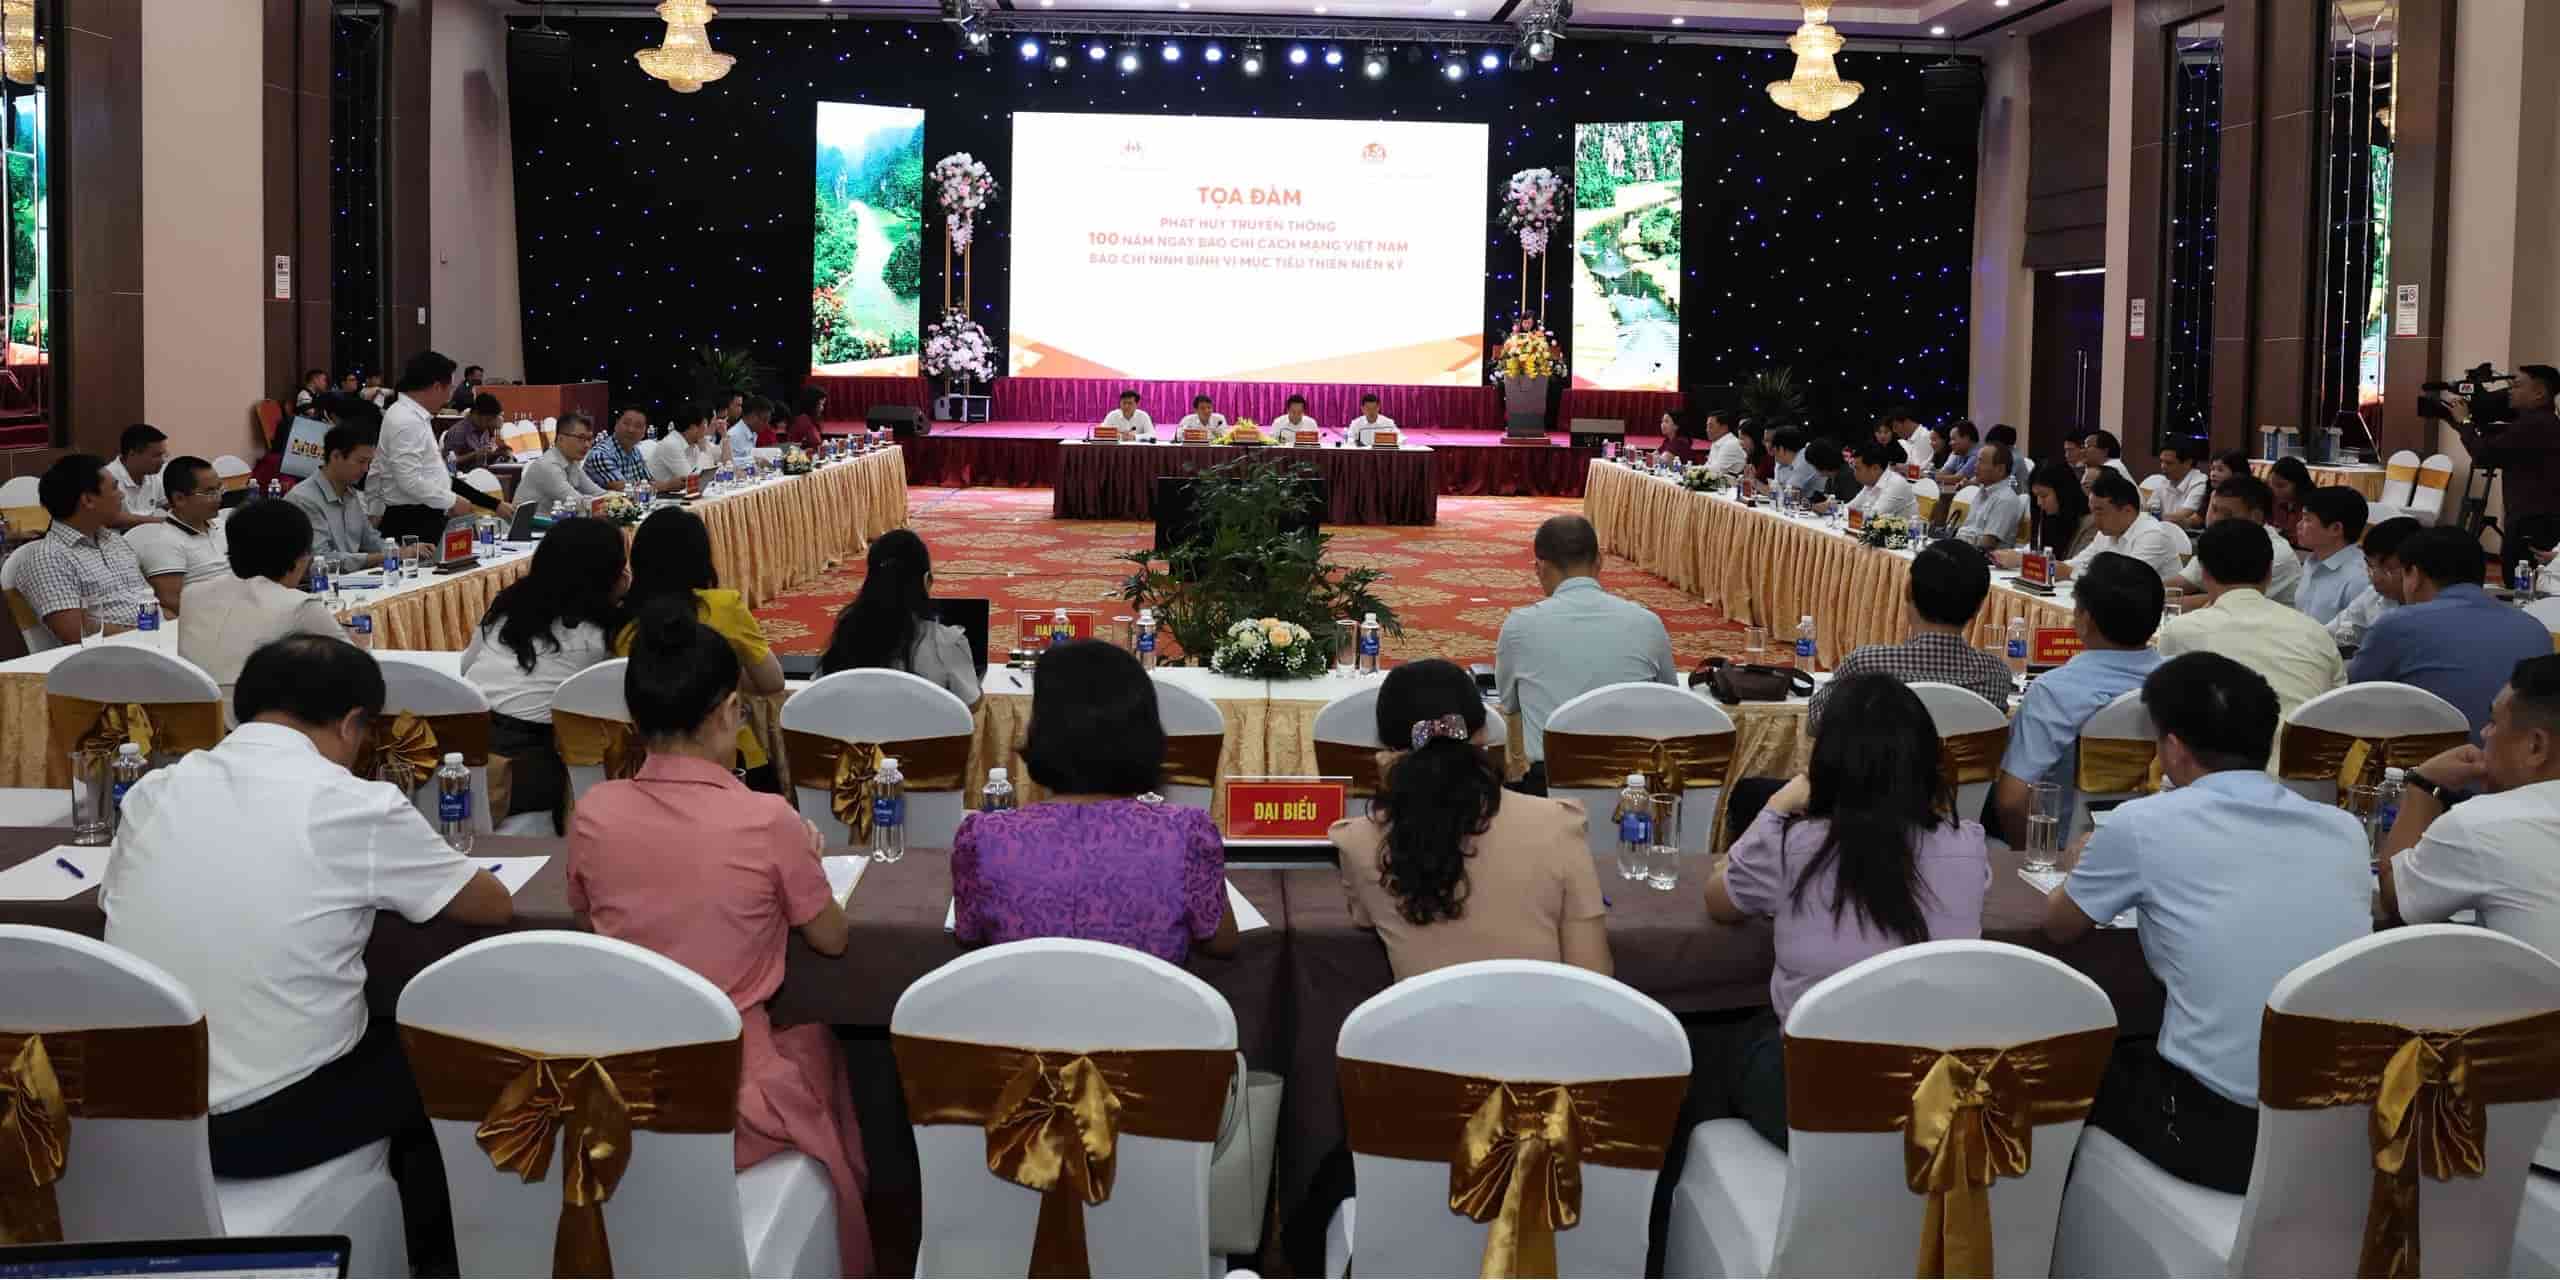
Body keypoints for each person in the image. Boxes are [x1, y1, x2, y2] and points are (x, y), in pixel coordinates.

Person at [101, 636, 511, 1188]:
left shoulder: (154, 791)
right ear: (350, 724)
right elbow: (489, 903)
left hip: (141, 1116)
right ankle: (426, 1252)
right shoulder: (352, 803)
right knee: (453, 1047)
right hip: (267, 1125)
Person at [565, 606, 872, 1274]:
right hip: (734, 1099)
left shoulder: (593, 812)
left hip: (617, 1088)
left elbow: (587, 916)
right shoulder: (766, 819)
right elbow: (832, 939)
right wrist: (805, 861)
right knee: (821, 1046)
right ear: (728, 710)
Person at [2043, 652, 2368, 1194]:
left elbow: (2059, 927)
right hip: (2337, 1126)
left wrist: (2079, 863)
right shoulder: (2344, 832)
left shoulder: (2143, 823)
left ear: (2172, 746)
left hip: (2219, 1131)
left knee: (2068, 1069)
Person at [1710, 673, 1989, 1148]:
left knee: (1714, 1046)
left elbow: (1719, 902)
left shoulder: (1792, 843)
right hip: (1931, 1092)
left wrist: (1777, 806)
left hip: (1818, 1100)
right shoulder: (1968, 845)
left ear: (1826, 763)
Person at [953, 639, 1240, 960]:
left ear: (1041, 733)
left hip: (1028, 1008)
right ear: (1146, 735)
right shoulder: (1186, 833)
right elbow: (1220, 941)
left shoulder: (985, 836)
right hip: (1147, 1009)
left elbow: (968, 933)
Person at [1332, 658, 1607, 979]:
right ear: (1485, 733)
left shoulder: (1357, 841)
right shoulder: (1558, 824)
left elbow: (1364, 917)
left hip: (1423, 1029)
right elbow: (1594, 973)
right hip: (1541, 1026)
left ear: (1385, 750)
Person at [2380, 655, 2560, 957]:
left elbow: (2396, 899)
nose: (2485, 734)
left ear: (2536, 746)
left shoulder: (2484, 824)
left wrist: (2423, 786)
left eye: (2493, 722)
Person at [1495, 515, 1679, 794]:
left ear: (1540, 568)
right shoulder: (1647, 622)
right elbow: (1669, 697)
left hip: (1551, 788)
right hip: (1632, 788)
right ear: (1600, 561)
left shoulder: (1519, 627)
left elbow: (1509, 704)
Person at [465, 517, 627, 829]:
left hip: (464, 756)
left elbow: (465, 668)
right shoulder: (600, 634)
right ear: (611, 574)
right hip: (529, 770)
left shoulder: (508, 609)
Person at [1992, 552, 2165, 844]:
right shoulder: (2180, 683)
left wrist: (2038, 859)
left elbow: (2012, 801)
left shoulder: (2055, 691)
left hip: (2065, 848)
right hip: (2156, 843)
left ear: (2085, 619)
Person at [615, 507, 785, 776]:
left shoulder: (621, 620)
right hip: (731, 761)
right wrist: (726, 675)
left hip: (648, 767)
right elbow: (772, 682)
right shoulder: (722, 606)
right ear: (701, 558)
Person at [2351, 526, 2555, 736]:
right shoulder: (2534, 627)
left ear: (2415, 575)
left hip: (2435, 763)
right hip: (2525, 761)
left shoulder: (2397, 625)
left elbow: (2353, 696)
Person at [1809, 540, 2016, 735]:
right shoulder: (1996, 674)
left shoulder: (1866, 664)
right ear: (1979, 607)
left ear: (1908, 591)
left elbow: (1816, 721)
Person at [2158, 519, 2343, 721]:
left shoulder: (2180, 630)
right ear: (2270, 570)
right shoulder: (2316, 632)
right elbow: (2337, 703)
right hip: (2301, 750)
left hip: (2218, 750)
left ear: (2204, 573)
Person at [177, 499, 346, 704]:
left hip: (188, 722)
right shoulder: (300, 605)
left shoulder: (191, 594)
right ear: (300, 557)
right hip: (257, 725)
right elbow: (355, 671)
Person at [816, 528, 981, 707]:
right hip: (924, 734)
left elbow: (821, 690)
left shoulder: (846, 635)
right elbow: (971, 704)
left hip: (856, 734)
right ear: (927, 581)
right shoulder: (945, 644)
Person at [16, 454, 156, 642]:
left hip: (154, 640)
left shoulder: (114, 541)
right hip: (112, 656)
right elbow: (75, 632)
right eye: (114, 488)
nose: (121, 495)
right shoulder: (49, 557)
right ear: (88, 500)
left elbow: (149, 602)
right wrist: (146, 636)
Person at [371, 351, 500, 545]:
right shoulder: (405, 420)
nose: (449, 398)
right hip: (412, 521)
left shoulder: (413, 416)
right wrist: (451, 501)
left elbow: (432, 473)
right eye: (449, 389)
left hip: (422, 515)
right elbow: (409, 480)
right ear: (436, 387)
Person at [2453, 364, 2560, 551]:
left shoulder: (2533, 425)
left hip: (2531, 521)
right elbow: (2492, 445)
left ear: (2539, 393)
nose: (2509, 391)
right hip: (2537, 517)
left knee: (2519, 577)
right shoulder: (2541, 421)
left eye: (2517, 386)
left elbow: (2484, 454)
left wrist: (2464, 421)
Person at [2163, 473, 2301, 606]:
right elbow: (2181, 583)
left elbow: (2222, 602)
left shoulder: (2274, 553)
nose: (2215, 519)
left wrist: (2154, 603)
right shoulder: (2217, 541)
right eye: (2214, 509)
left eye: (2227, 514)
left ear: (2256, 517)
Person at [128, 456, 230, 615]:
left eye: (219, 489)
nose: (219, 497)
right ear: (179, 499)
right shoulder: (163, 542)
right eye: (210, 492)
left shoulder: (222, 525)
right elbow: (172, 601)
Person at [284, 421, 388, 568]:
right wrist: (382, 557)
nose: (366, 469)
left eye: (369, 462)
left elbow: (371, 540)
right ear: (336, 456)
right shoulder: (303, 499)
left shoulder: (351, 494)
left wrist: (402, 551)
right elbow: (321, 560)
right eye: (361, 461)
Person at [2050, 470, 2183, 580]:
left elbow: (2123, 581)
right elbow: (2078, 563)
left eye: (2100, 512)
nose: (2095, 520)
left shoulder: (2153, 535)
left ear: (2127, 511)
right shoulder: (2107, 532)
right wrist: (2051, 568)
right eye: (2092, 512)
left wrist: (2069, 573)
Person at [2327, 515, 2419, 649]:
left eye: (2388, 570)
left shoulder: (2433, 611)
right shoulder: (2373, 595)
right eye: (2370, 566)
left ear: (2413, 569)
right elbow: (2332, 633)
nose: (2375, 578)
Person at [2291, 485, 2373, 624]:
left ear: (2335, 529)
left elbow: (2352, 639)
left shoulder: (2359, 579)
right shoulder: (2312, 561)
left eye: (2307, 519)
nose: (2299, 525)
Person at [512, 410, 607, 513]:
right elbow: (577, 503)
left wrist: (619, 499)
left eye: (589, 439)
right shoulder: (548, 466)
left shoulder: (572, 462)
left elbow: (597, 493)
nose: (587, 445)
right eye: (581, 438)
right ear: (561, 439)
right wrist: (616, 503)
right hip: (529, 527)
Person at [1954, 442, 2029, 550]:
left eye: (1981, 461)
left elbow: (1987, 544)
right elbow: (1966, 529)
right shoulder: (1982, 492)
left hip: (1983, 561)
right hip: (1964, 551)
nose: (1976, 466)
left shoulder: (2005, 499)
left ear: (2000, 469)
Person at [103, 423, 169, 527]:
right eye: (157, 455)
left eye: (164, 455)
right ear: (132, 453)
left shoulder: (153, 477)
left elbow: (170, 504)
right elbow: (110, 518)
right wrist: (160, 521)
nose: (162, 461)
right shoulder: (108, 476)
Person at [1841, 440, 1918, 519]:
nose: (1854, 473)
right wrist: (1848, 512)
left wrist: (1849, 513)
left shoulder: (1896, 484)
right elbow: (1847, 508)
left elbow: (1871, 518)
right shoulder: (1871, 483)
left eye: (1857, 469)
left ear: (1875, 468)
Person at [645, 405, 715, 488]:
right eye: (705, 425)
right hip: (660, 497)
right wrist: (703, 451)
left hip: (678, 494)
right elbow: (691, 481)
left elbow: (709, 476)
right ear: (693, 428)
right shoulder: (671, 444)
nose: (706, 430)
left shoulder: (693, 444)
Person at [585, 407, 653, 491]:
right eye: (626, 423)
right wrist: (669, 484)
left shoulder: (635, 451)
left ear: (644, 431)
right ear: (616, 424)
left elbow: (649, 482)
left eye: (638, 426)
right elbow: (625, 489)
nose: (631, 430)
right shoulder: (601, 454)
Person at [2151, 438, 2210, 528]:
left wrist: (2154, 516)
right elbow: (2149, 510)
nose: (2163, 466)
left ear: (2188, 463)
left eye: (2169, 463)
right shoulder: (2164, 480)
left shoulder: (2200, 482)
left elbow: (2180, 517)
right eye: (2161, 461)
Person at [440, 394, 506, 473]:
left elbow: (486, 456)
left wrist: (497, 453)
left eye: (491, 420)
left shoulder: (485, 429)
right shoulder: (458, 432)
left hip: (483, 474)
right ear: (475, 414)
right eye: (487, 420)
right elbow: (448, 462)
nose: (488, 423)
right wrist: (474, 454)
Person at [2265, 456, 2314, 543]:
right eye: (2270, 484)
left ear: (2299, 485)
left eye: (2281, 485)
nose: (2274, 490)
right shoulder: (2269, 500)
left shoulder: (2312, 507)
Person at [1770, 428, 1820, 499]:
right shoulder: (1781, 462)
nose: (1772, 453)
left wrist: (1755, 482)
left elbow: (1789, 496)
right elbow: (1775, 489)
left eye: (1773, 449)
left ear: (1781, 449)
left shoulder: (1805, 458)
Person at [1935, 420, 1981, 487]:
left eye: (1953, 439)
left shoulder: (1978, 454)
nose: (1950, 443)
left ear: (1966, 438)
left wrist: (1932, 477)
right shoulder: (1958, 452)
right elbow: (1944, 472)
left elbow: (1958, 478)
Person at [1703, 411, 1749, 478]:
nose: (1707, 430)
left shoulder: (1731, 444)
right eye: (1707, 426)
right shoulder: (1716, 443)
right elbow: (1707, 466)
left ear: (1724, 427)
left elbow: (1715, 470)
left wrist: (1691, 470)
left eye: (1711, 426)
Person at [728, 395, 773, 462]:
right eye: (764, 420)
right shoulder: (733, 436)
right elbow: (728, 463)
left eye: (768, 421)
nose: (766, 424)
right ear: (752, 416)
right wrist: (755, 460)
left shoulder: (753, 433)